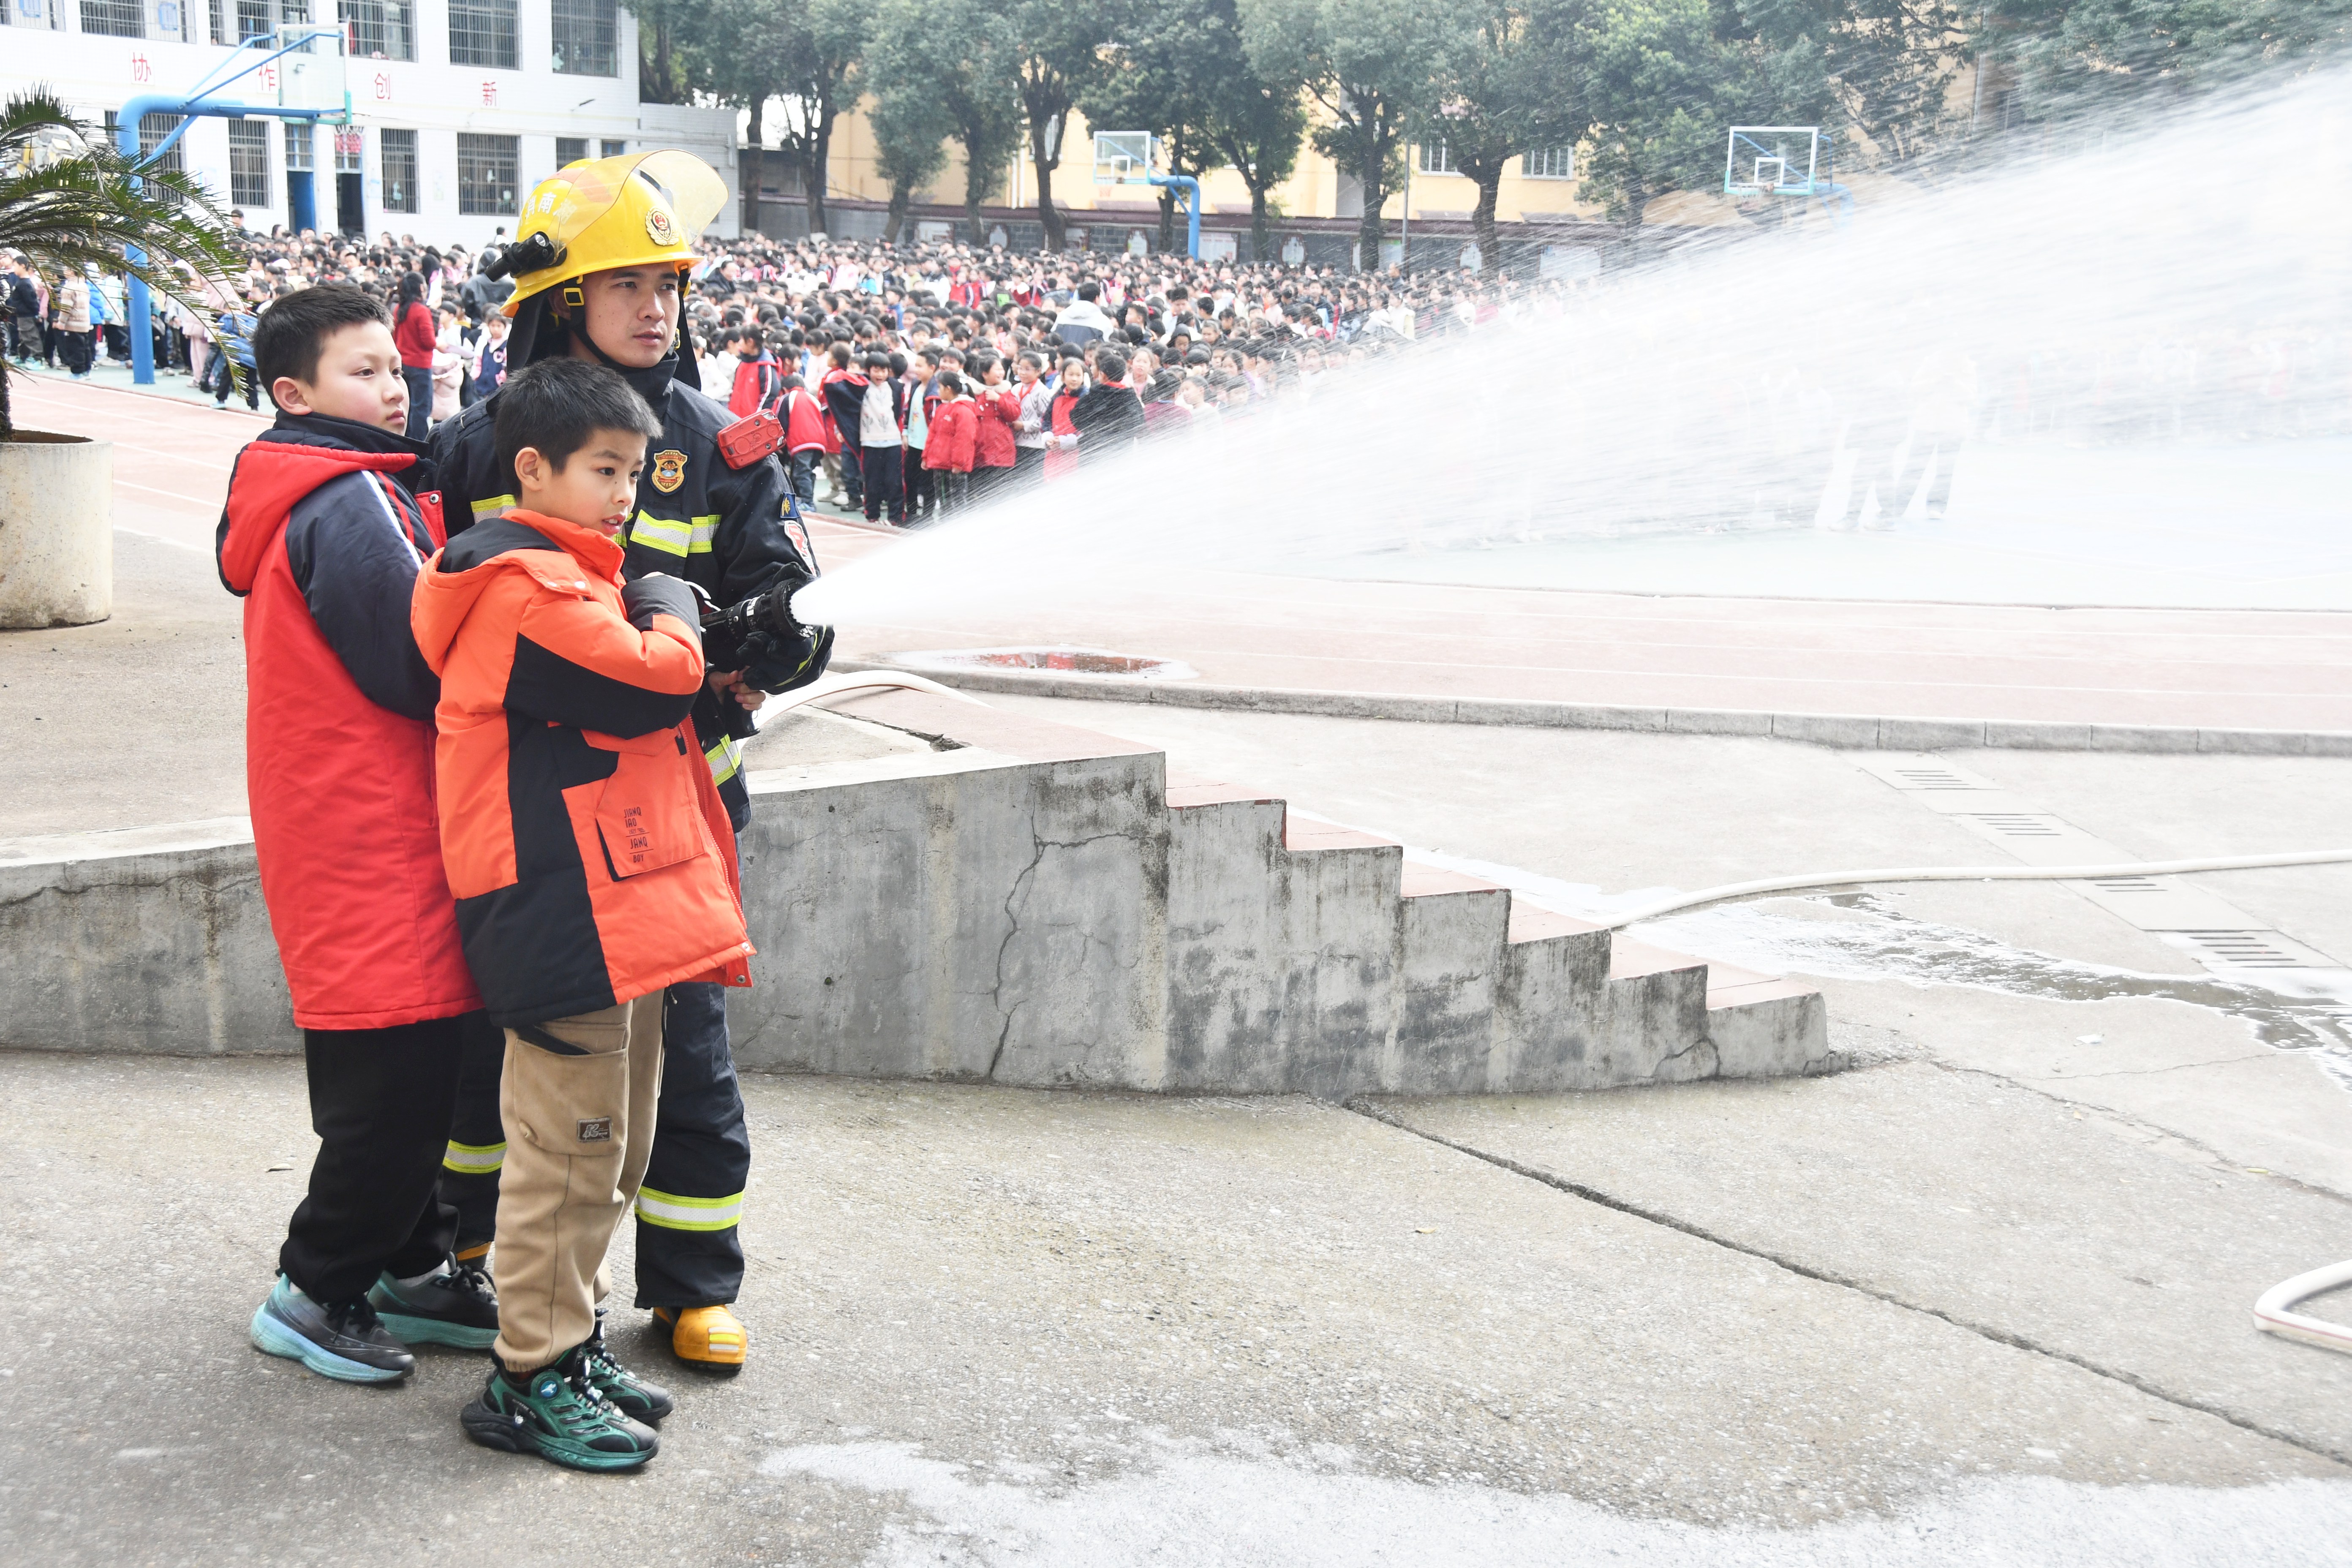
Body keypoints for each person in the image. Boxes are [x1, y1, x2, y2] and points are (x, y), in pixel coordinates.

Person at [430, 150, 827, 1376]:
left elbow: (787, 589)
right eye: (626, 285)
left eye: (669, 283)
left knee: (687, 1049)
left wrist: (781, 639)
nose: (657, 307)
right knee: (514, 1049)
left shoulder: (721, 439)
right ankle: (476, 1255)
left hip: (682, 801)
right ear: (559, 302)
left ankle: (694, 1281)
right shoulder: (475, 446)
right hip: (538, 815)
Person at [413, 357, 743, 1471]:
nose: (626, 495)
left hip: (612, 905)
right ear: (532, 470)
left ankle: (570, 1343)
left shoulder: (571, 574)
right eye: (604, 471)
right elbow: (650, 682)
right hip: (560, 916)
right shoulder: (521, 587)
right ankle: (528, 1378)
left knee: (616, 1144)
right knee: (567, 1154)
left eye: (638, 474)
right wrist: (667, 597)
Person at [216, 284, 498, 1386]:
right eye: (363, 372)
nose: (394, 388)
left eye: (396, 367)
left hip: (353, 832)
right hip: (373, 840)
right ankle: (315, 1286)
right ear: (294, 393)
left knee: (402, 1070)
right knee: (396, 1085)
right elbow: (417, 664)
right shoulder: (343, 498)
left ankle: (405, 1267)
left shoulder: (338, 487)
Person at [854, 350, 909, 525]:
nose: (881, 375)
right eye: (876, 370)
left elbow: (899, 411)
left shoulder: (895, 387)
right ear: (868, 370)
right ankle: (873, 516)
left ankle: (895, 517)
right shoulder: (860, 386)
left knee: (894, 481)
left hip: (893, 440)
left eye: (884, 370)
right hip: (870, 441)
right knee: (872, 481)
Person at [921, 369, 977, 519]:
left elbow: (964, 439)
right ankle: (945, 525)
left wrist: (958, 463)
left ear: (948, 389)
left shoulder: (963, 411)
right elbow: (932, 434)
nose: (938, 391)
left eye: (940, 387)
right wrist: (926, 457)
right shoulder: (943, 408)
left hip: (953, 467)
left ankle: (956, 529)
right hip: (940, 464)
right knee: (944, 500)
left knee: (956, 501)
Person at [392, 272, 436, 438]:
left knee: (407, 406)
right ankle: (419, 443)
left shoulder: (398, 309)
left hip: (404, 364)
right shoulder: (421, 311)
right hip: (420, 366)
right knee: (421, 408)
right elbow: (429, 342)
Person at [777, 371, 828, 506]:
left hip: (801, 442)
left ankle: (808, 501)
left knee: (802, 472)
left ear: (785, 389)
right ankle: (807, 498)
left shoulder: (788, 398)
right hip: (819, 441)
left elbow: (781, 423)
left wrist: (780, 444)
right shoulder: (813, 398)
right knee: (808, 471)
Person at [213, 296, 261, 409]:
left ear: (226, 310)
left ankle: (221, 400)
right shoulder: (253, 322)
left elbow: (222, 336)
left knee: (227, 379)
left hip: (235, 355)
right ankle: (254, 406)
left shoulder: (226, 319)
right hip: (251, 356)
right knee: (250, 382)